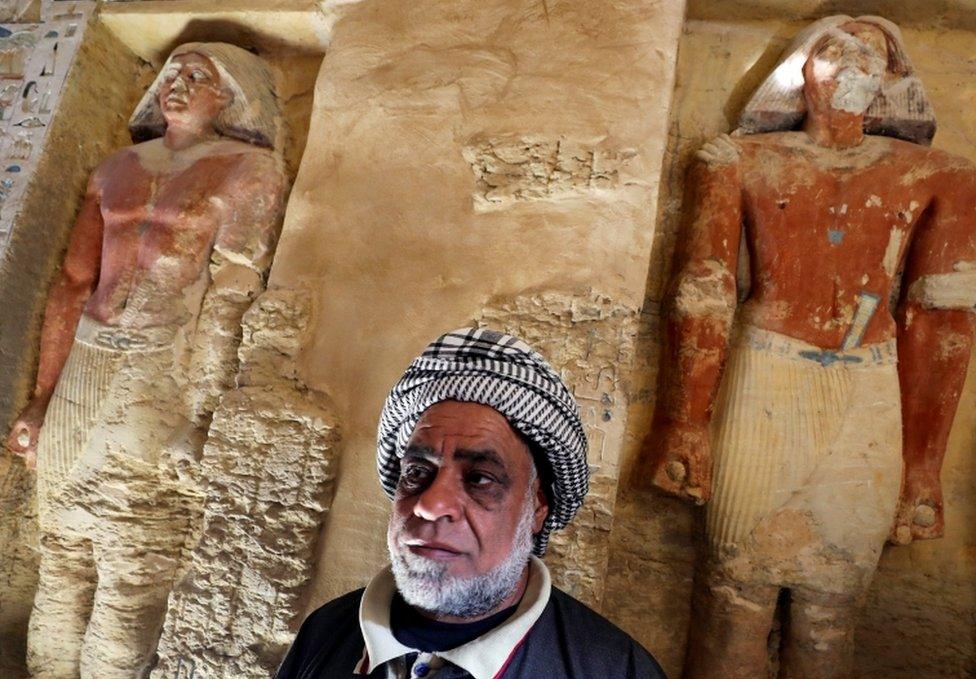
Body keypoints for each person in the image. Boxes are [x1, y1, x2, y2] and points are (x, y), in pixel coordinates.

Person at [645, 15, 976, 678]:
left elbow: (942, 320)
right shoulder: (736, 159)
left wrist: (923, 465)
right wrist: (685, 422)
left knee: (830, 616)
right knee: (734, 601)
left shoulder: (942, 176)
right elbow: (705, 291)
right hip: (764, 374)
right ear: (802, 69)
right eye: (836, 48)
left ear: (891, 78)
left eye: (871, 51)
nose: (853, 61)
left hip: (869, 390)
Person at [3, 43, 284, 677]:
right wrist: (42, 398)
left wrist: (202, 410)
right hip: (86, 360)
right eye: (171, 74)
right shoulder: (114, 169)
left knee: (130, 558)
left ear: (231, 96)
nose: (177, 86)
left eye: (198, 77)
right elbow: (74, 282)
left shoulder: (248, 169)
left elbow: (232, 294)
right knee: (62, 550)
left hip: (161, 365)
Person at [277, 328, 665, 678]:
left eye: (480, 478)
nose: (430, 506)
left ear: (538, 507)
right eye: (416, 472)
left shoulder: (615, 669)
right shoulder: (327, 632)